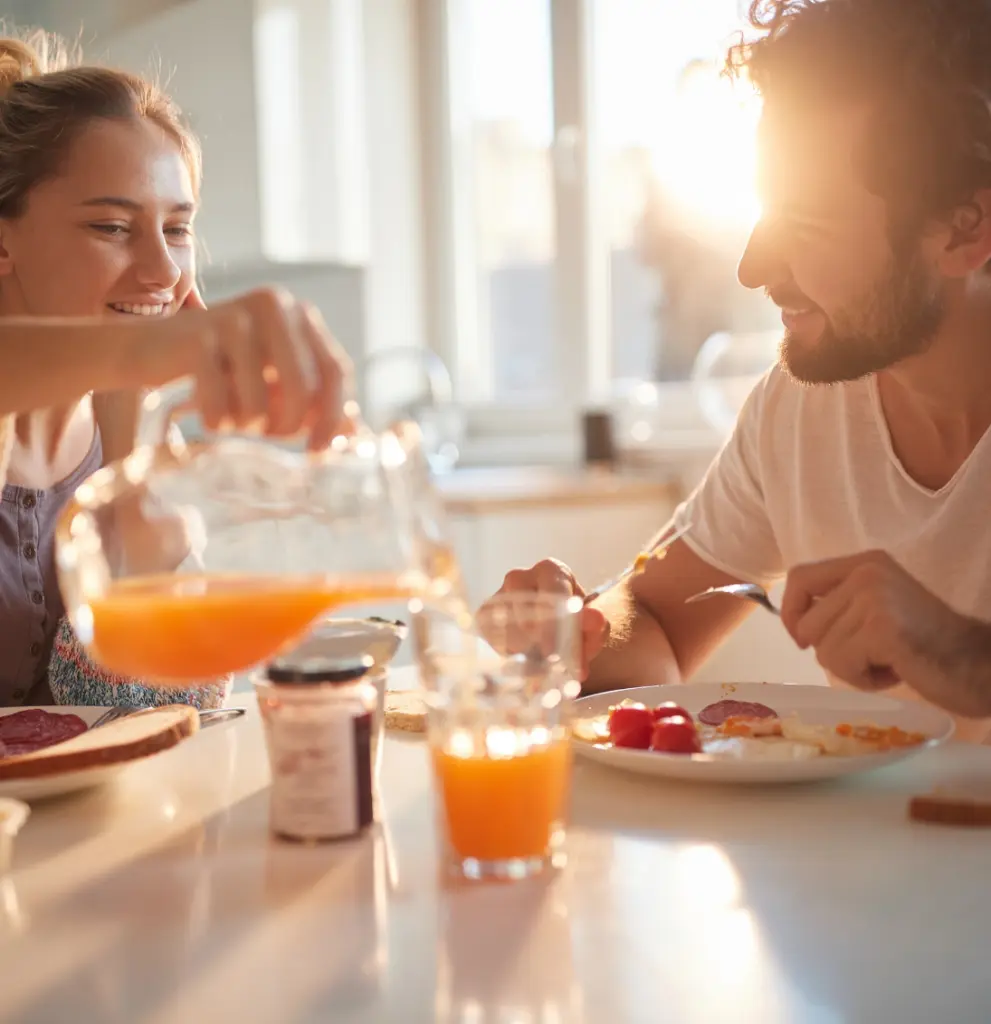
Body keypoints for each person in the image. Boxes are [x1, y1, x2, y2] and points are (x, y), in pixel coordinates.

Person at [489, 0, 991, 742]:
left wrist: (967, 657)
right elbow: (657, 616)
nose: (754, 267)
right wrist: (578, 631)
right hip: (872, 857)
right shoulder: (800, 410)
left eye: (809, 221)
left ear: (960, 232)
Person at [0, 31, 350, 707]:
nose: (163, 271)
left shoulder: (130, 442)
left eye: (178, 229)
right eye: (111, 227)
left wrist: (129, 455)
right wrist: (141, 350)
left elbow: (178, 708)